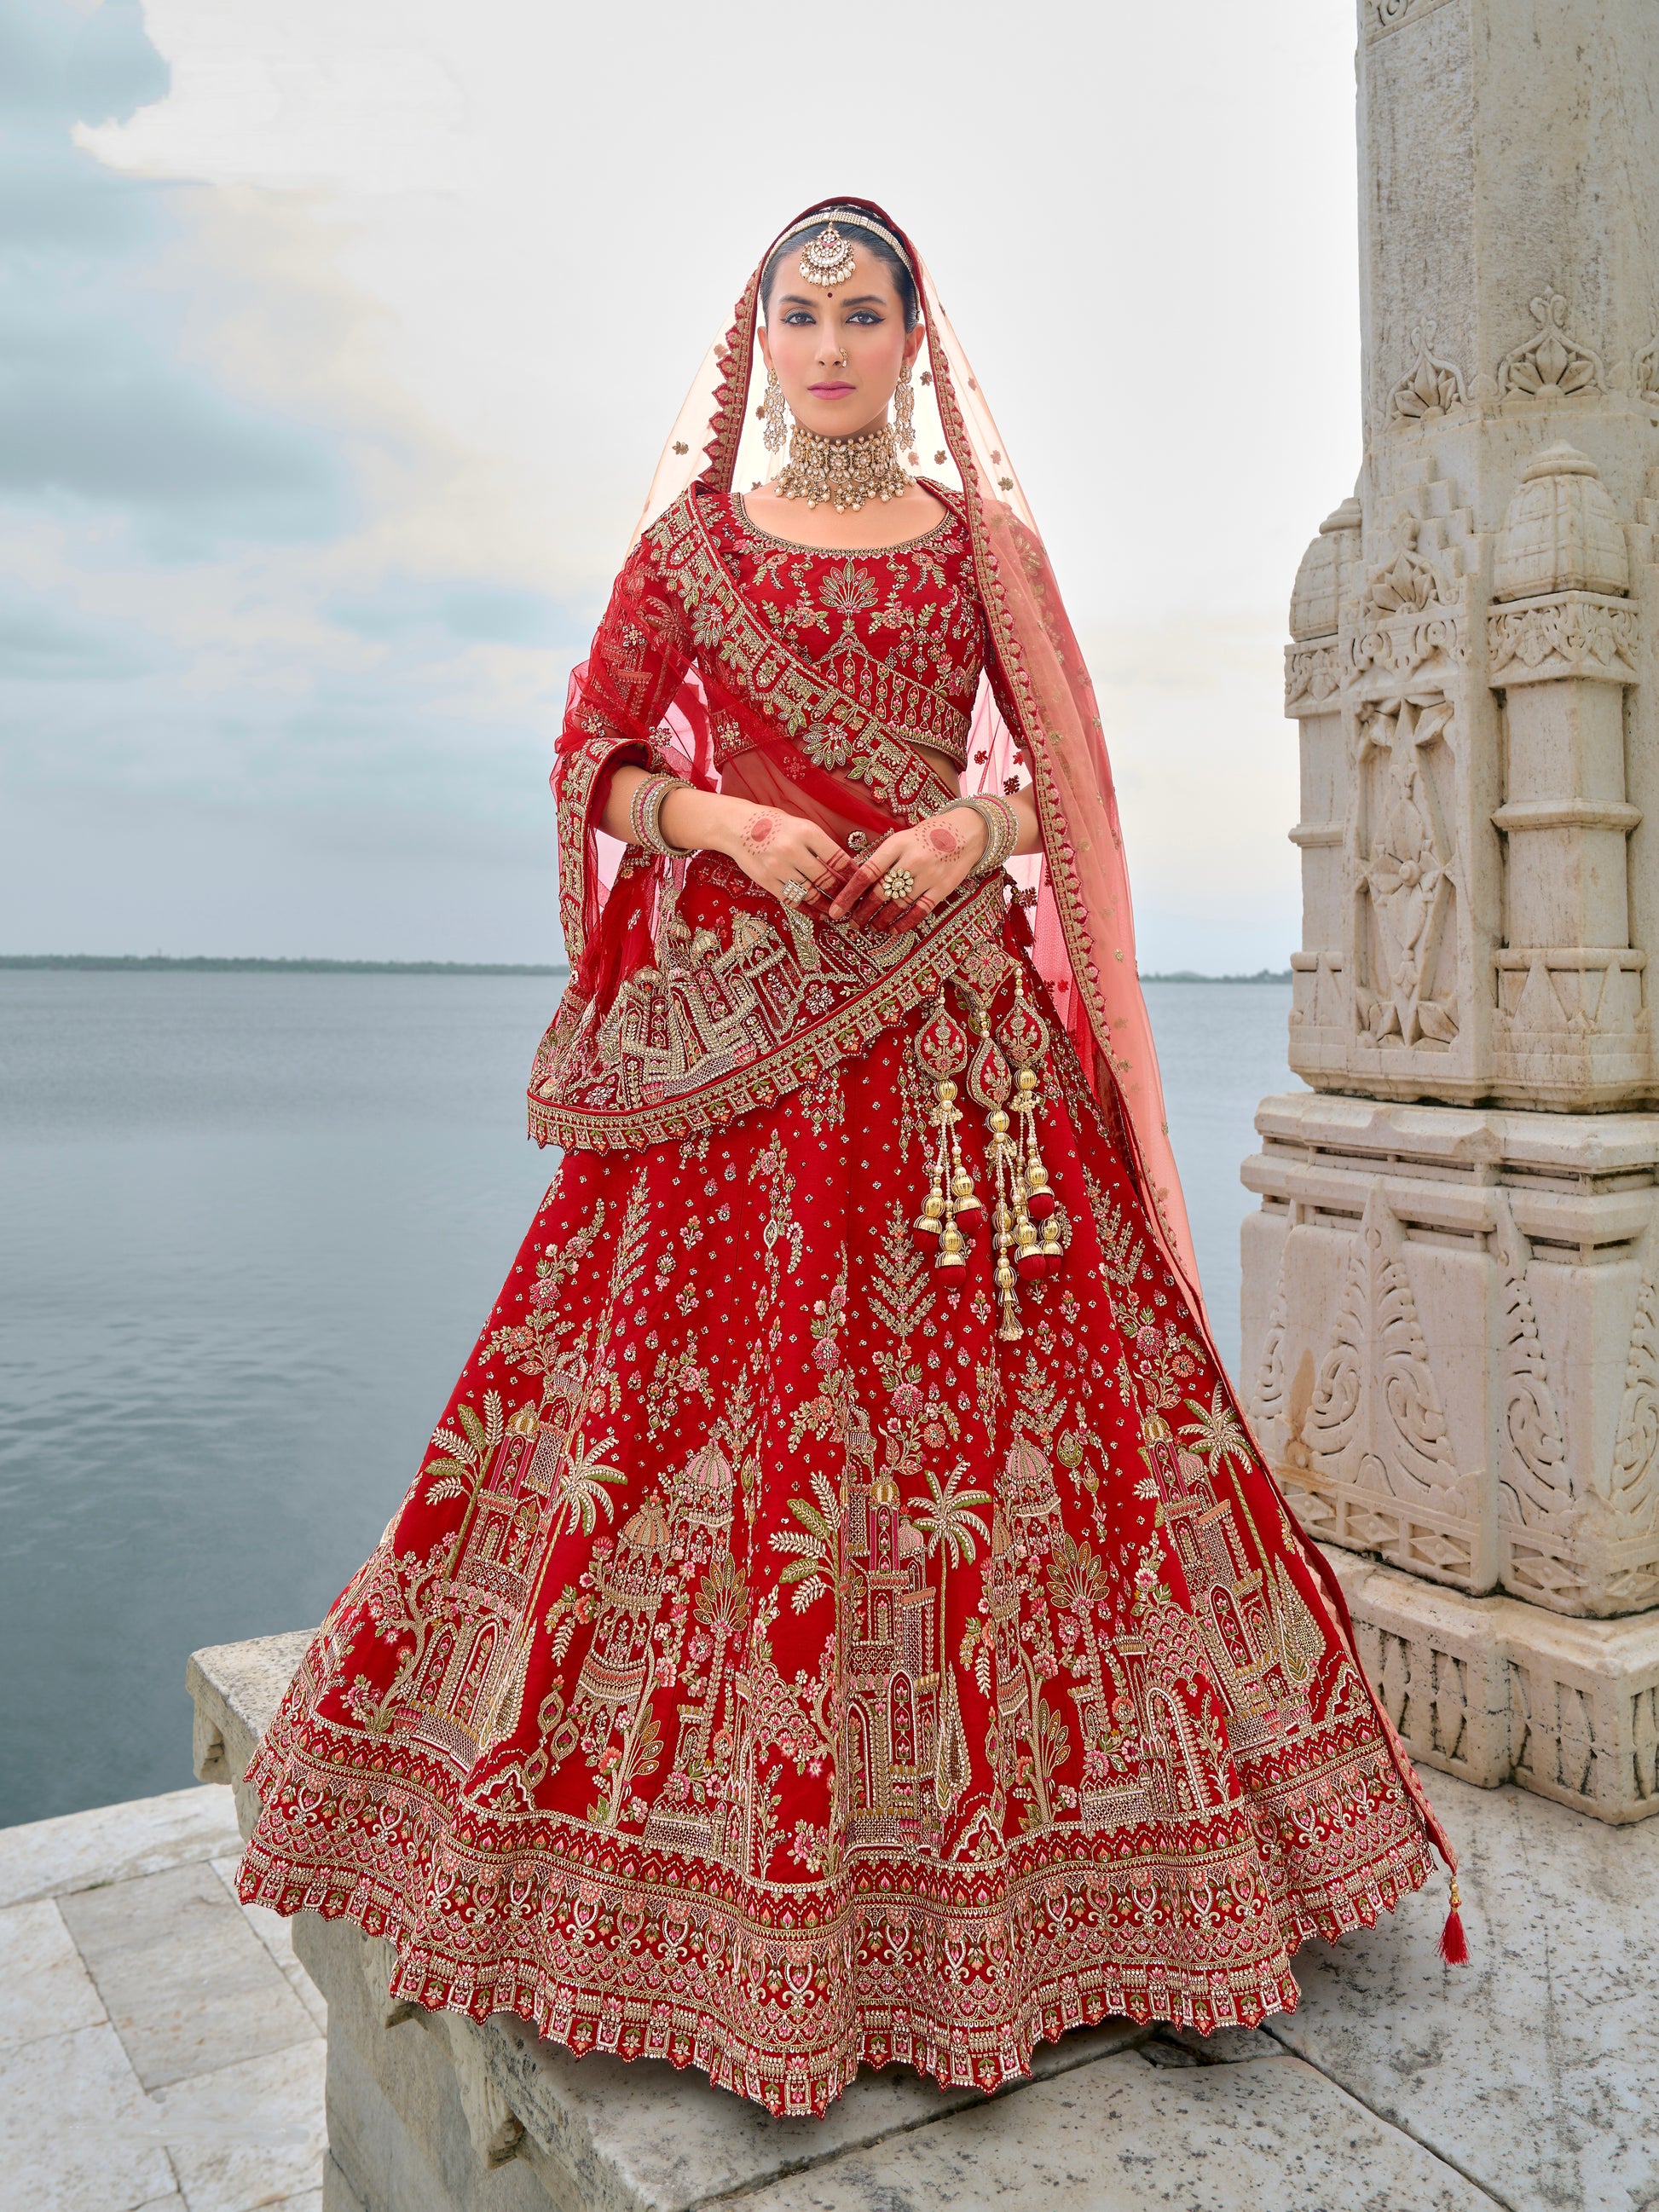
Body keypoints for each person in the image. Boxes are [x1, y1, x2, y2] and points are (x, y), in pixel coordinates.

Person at [239, 199, 1460, 2118]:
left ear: (911, 338)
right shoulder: (691, 549)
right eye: (797, 315)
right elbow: (589, 757)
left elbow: (1067, 791)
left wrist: (973, 837)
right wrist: (719, 821)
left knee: (1026, 1450)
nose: (827, 347)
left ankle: (1138, 1891)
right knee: (693, 1430)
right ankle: (655, 1894)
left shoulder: (979, 549)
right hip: (733, 1061)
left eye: (860, 313)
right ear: (760, 341)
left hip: (963, 1072)